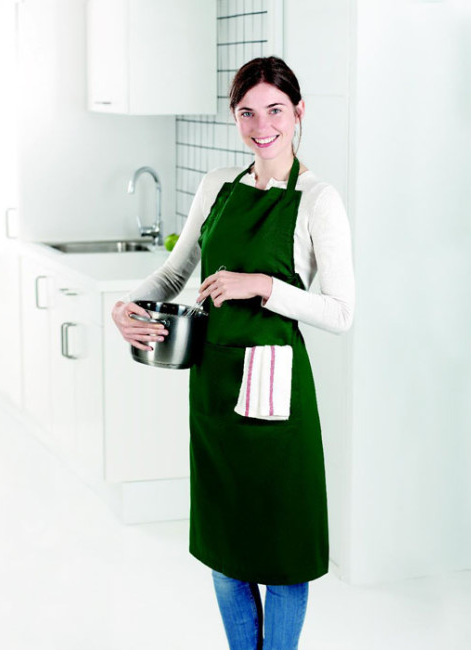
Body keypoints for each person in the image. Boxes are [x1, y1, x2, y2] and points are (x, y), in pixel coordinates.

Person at [112, 56, 355, 650]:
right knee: (226, 553)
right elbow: (176, 272)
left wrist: (264, 286)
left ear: (299, 112)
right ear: (235, 116)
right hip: (215, 388)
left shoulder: (318, 200)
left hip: (277, 396)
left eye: (275, 110)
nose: (261, 126)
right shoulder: (218, 184)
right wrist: (129, 305)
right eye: (247, 112)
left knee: (284, 558)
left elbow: (341, 312)